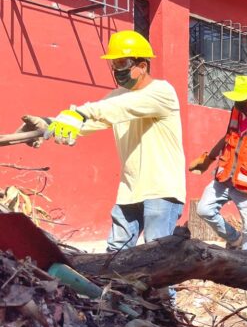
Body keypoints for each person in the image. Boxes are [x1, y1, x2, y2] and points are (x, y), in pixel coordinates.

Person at [20, 30, 185, 251]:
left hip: (161, 189)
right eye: (114, 64)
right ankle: (118, 288)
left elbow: (109, 110)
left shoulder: (162, 92)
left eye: (122, 62)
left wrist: (78, 113)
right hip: (130, 188)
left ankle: (163, 289)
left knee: (157, 256)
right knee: (116, 253)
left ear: (143, 65)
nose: (117, 69)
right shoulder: (117, 95)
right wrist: (49, 124)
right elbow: (91, 121)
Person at [189, 75, 247, 250]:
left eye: (241, 100)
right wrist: (208, 159)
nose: (237, 103)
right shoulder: (236, 113)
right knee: (204, 209)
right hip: (225, 176)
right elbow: (228, 137)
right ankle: (234, 240)